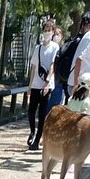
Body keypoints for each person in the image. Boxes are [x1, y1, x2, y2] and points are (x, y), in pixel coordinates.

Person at [26, 20, 59, 150]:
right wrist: (29, 86)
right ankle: (32, 132)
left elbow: (52, 65)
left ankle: (37, 140)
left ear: (52, 32)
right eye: (45, 30)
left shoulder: (55, 47)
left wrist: (47, 82)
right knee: (31, 112)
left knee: (42, 114)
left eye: (49, 30)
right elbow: (33, 67)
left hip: (46, 86)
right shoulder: (38, 48)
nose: (46, 33)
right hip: (35, 84)